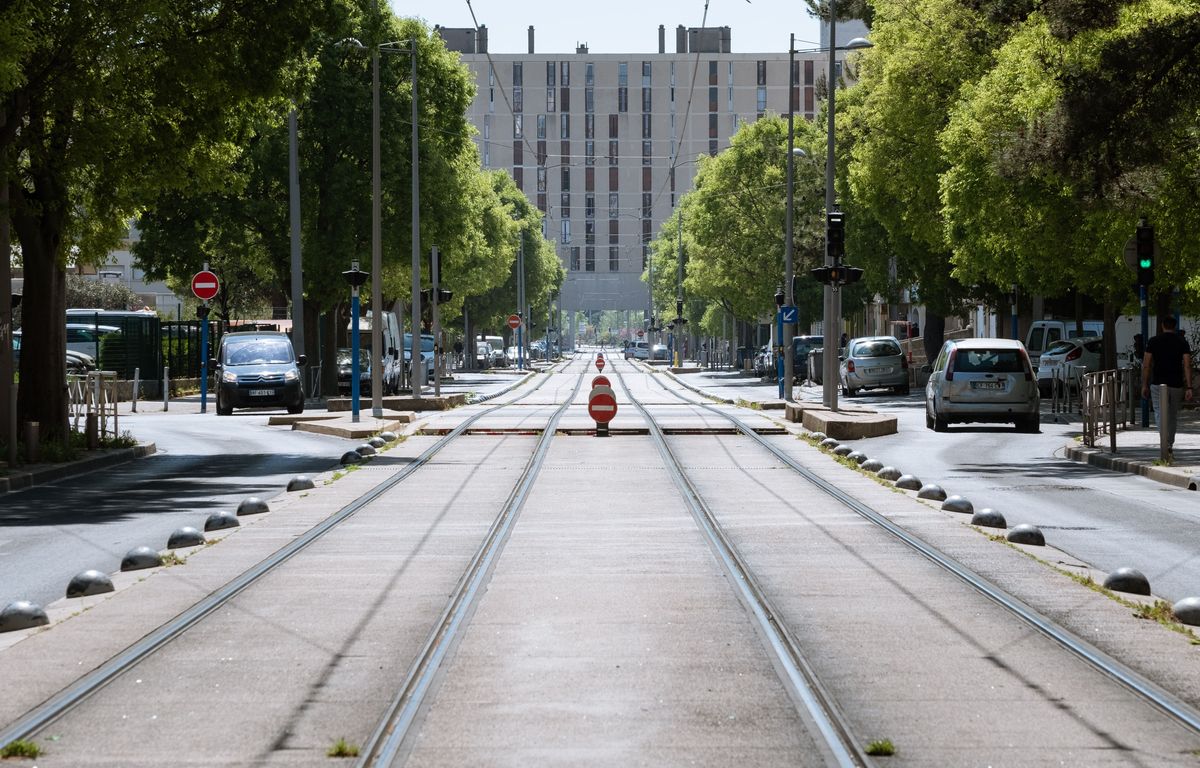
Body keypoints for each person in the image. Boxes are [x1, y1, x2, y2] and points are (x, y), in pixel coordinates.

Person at [1141, 317, 1193, 452]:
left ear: (1162, 325)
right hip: (1176, 383)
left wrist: (1144, 385)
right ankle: (1169, 442)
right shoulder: (1182, 342)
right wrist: (1189, 387)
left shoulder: (1153, 341)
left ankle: (1164, 440)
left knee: (1159, 412)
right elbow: (1187, 365)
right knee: (1172, 414)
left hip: (1158, 382)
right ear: (1174, 327)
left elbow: (1146, 365)